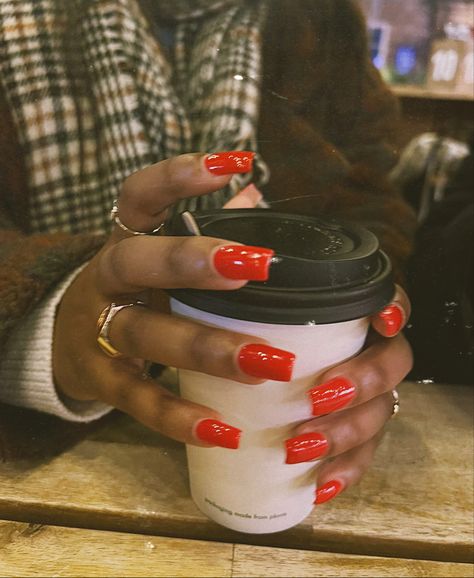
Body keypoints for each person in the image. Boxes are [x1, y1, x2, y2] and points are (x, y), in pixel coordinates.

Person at [0, 0, 415, 505]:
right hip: (67, 465)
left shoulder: (320, 16)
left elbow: (369, 198)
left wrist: (363, 330)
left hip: (289, 435)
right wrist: (47, 324)